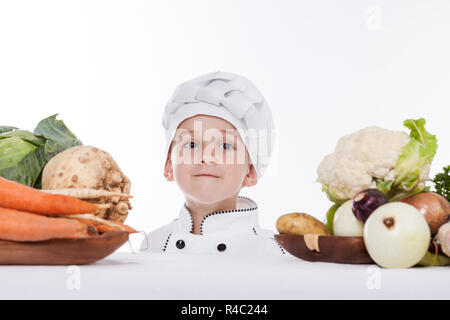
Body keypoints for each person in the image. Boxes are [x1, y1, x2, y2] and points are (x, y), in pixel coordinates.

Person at [140, 71, 286, 256]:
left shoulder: (273, 253)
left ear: (250, 171)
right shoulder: (152, 245)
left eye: (225, 146)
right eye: (191, 144)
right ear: (169, 165)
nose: (207, 156)